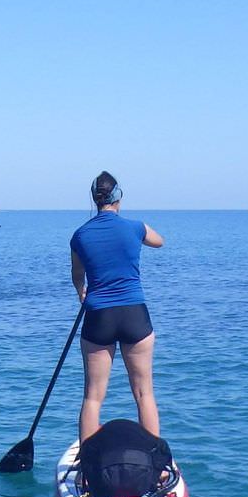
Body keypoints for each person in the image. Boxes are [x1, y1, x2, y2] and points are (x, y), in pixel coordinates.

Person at [69, 170, 164, 443]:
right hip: (134, 315)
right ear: (118, 197)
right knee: (144, 392)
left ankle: (88, 465)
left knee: (92, 396)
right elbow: (159, 242)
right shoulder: (135, 227)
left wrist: (80, 291)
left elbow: (77, 274)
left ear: (94, 199)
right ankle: (155, 462)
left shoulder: (80, 235)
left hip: (98, 316)